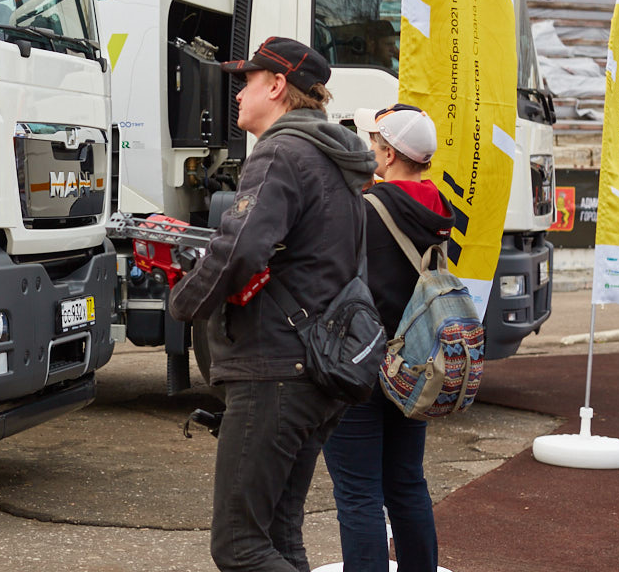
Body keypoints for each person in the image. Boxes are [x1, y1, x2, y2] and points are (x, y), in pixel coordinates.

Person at [169, 36, 376, 572]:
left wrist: (184, 301)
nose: (238, 94)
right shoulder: (337, 161)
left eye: (248, 81)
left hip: (275, 370)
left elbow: (240, 247)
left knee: (239, 546)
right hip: (318, 370)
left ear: (278, 86)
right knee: (279, 535)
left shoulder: (280, 151)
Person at [322, 104, 454, 572]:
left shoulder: (366, 210)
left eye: (373, 142)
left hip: (357, 365)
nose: (367, 149)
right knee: (406, 483)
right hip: (412, 364)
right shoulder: (438, 209)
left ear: (391, 153)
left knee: (358, 493)